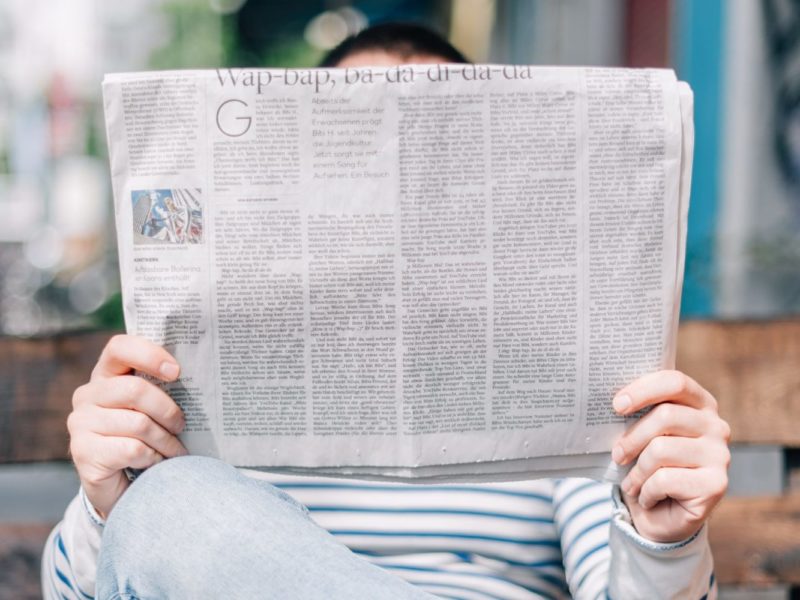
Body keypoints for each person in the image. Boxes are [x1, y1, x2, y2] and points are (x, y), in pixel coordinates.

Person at [43, 23, 729, 600]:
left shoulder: (562, 375)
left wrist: (663, 540)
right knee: (171, 507)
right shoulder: (192, 387)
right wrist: (108, 505)